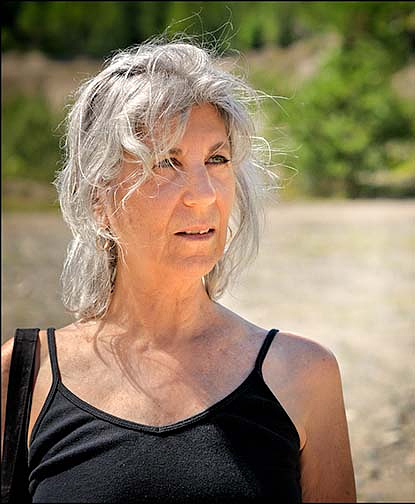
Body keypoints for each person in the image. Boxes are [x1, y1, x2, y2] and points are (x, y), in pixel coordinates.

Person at [1, 38, 356, 503]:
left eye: (217, 159)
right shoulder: (23, 377)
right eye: (166, 163)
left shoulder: (304, 376)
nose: (204, 194)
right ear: (99, 199)